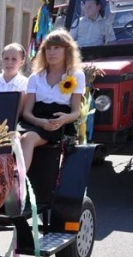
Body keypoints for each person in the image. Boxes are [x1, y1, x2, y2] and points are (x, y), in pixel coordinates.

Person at [17, 29, 84, 170]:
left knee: (27, 138)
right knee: (11, 138)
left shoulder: (76, 75)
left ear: (67, 50)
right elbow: (27, 113)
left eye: (57, 48)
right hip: (35, 120)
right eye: (48, 48)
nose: (51, 52)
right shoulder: (35, 77)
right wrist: (39, 122)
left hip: (56, 123)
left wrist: (65, 119)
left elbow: (76, 112)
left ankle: (18, 180)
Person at [0, 42, 29, 114]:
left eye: (14, 59)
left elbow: (19, 110)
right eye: (6, 58)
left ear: (21, 62)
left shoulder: (24, 83)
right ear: (2, 59)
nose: (9, 62)